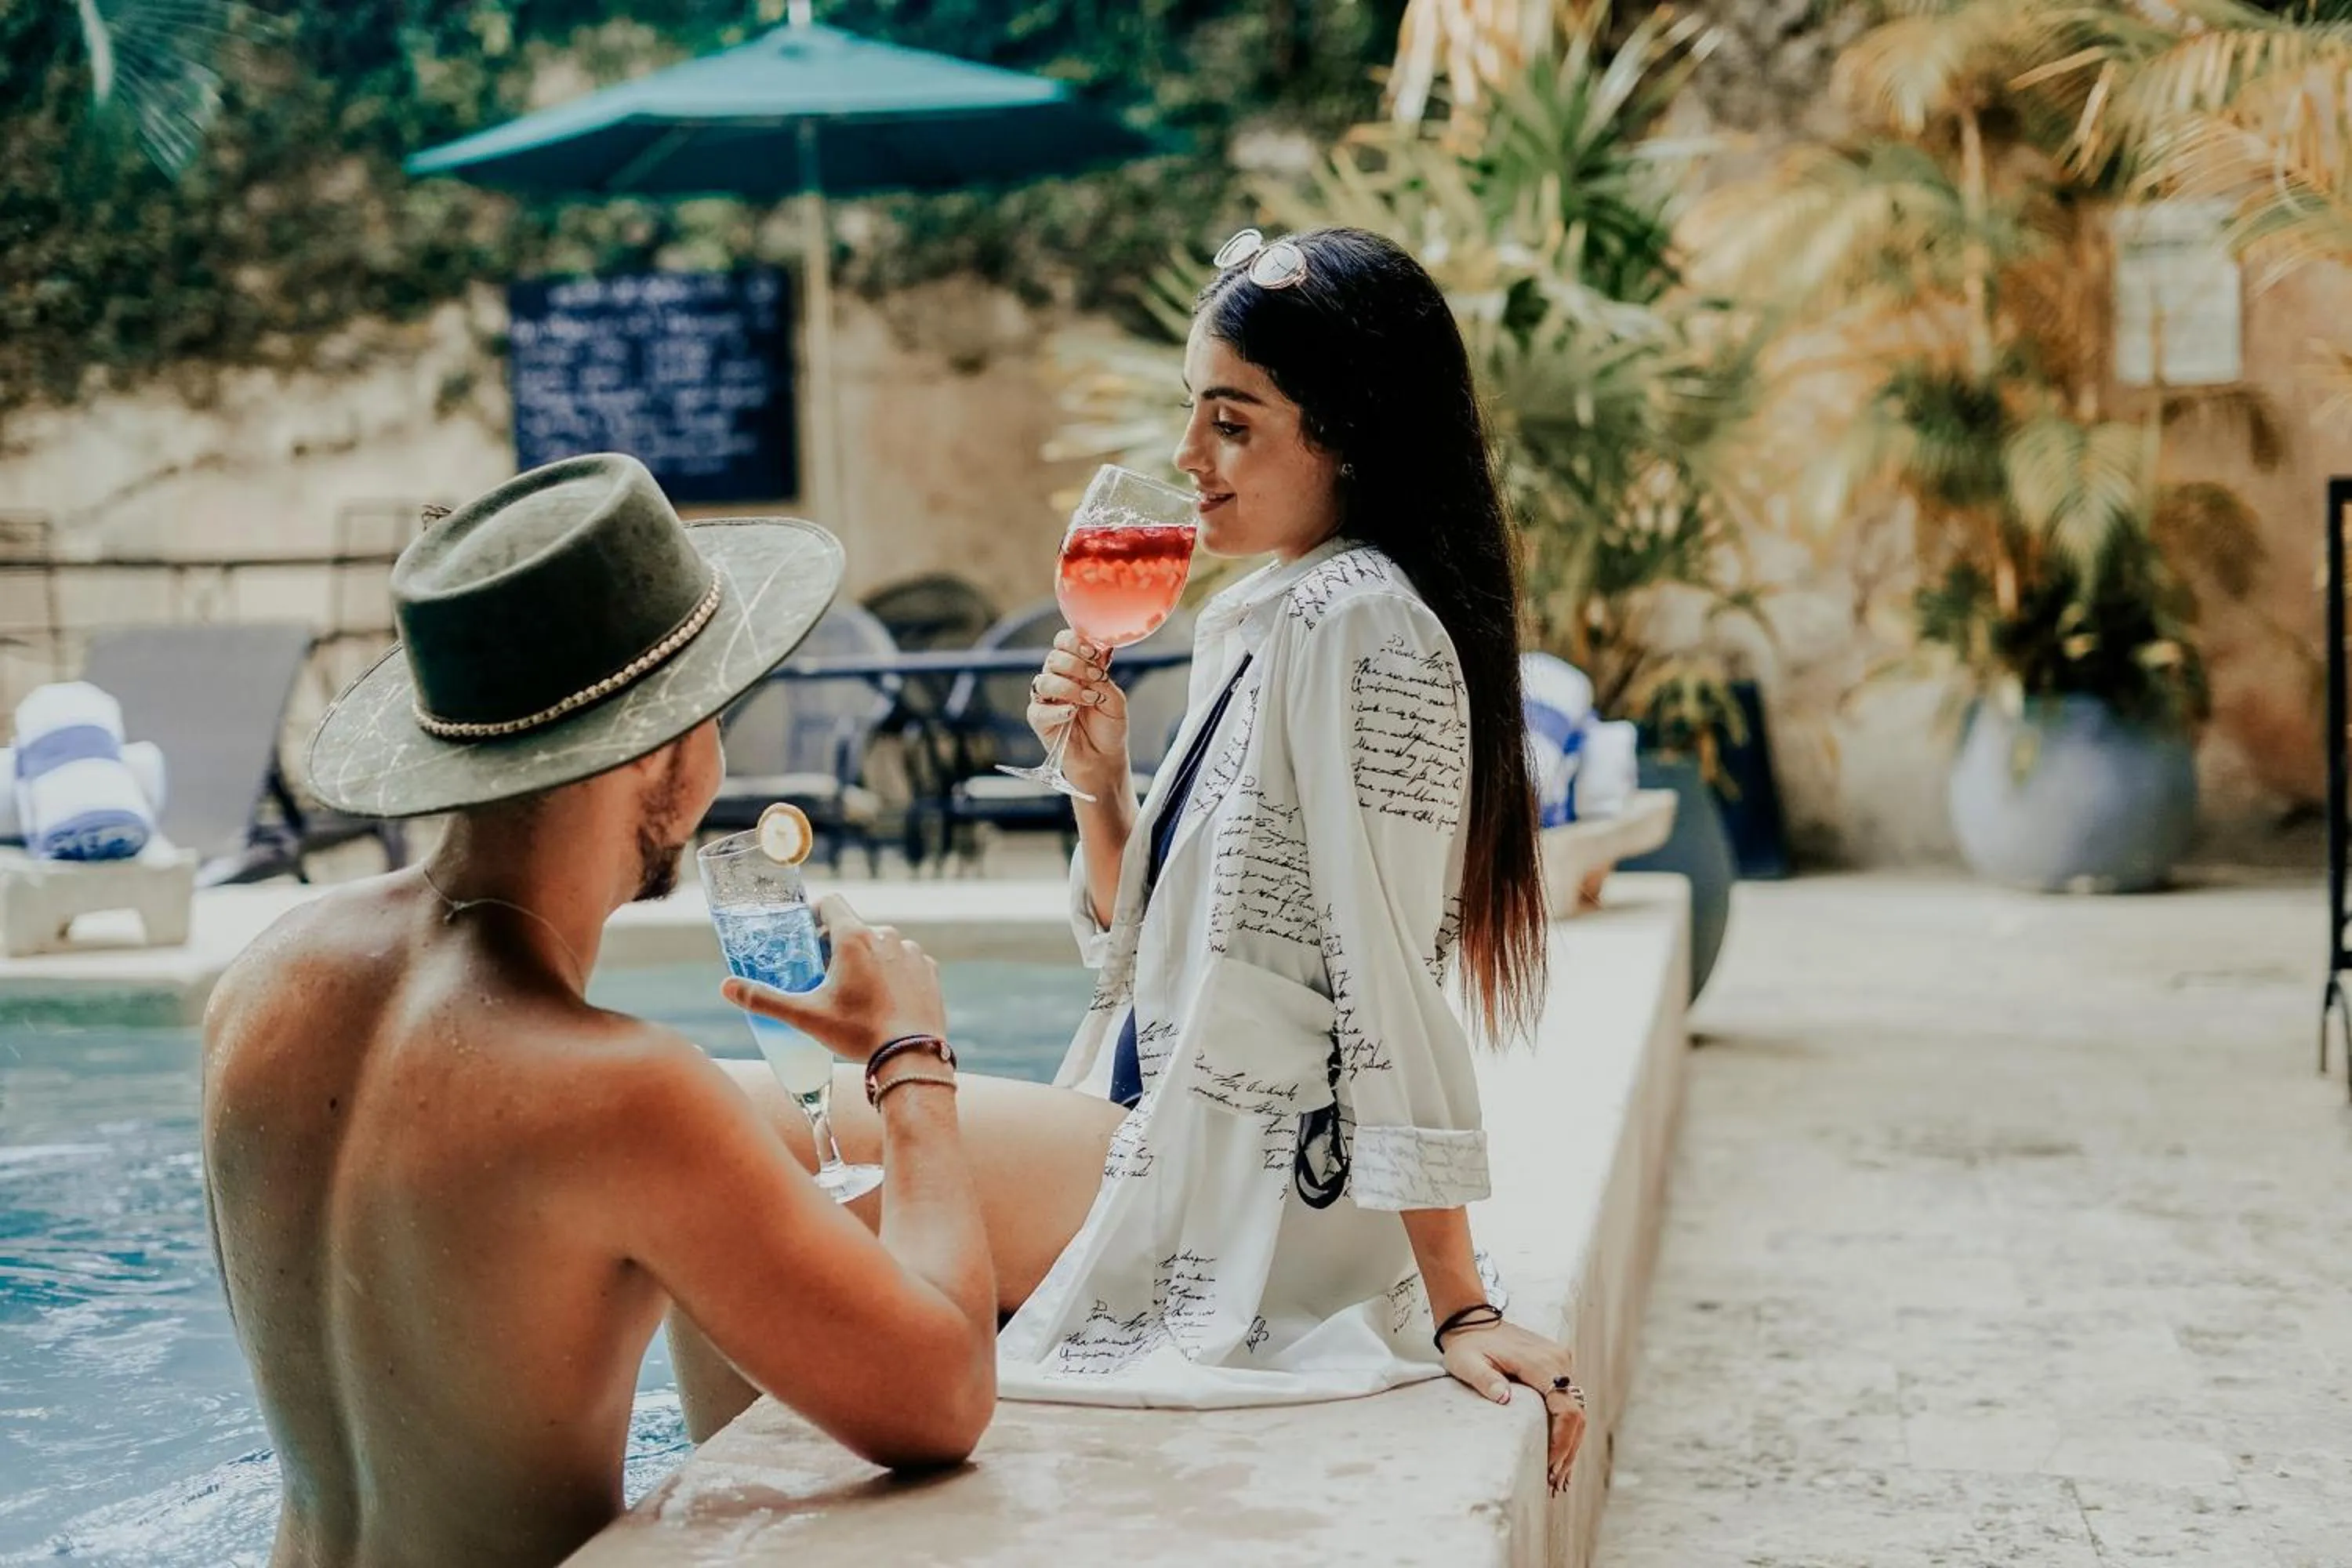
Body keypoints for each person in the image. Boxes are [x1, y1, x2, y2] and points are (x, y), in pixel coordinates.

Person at [701, 227, 1586, 1492]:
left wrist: (1454, 1299)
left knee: (735, 1134)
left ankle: (729, 1514)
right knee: (735, 1143)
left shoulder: (1365, 628)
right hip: (1160, 1129)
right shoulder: (1259, 618)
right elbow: (1153, 953)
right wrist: (1099, 785)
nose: (1187, 460)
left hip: (1253, 1196)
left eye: (1233, 422)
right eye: (1191, 415)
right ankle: (742, 1497)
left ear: (1351, 433)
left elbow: (1388, 981)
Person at [201, 453, 1004, 1568]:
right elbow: (945, 1395)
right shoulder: (617, 1093)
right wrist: (912, 1060)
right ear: (665, 753)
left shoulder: (259, 981)